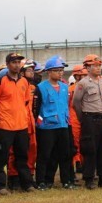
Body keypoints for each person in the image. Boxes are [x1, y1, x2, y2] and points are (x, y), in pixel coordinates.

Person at [0, 53, 35, 194]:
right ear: (8, 64)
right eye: (13, 62)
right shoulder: (0, 81)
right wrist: (2, 116)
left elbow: (26, 101)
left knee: (22, 157)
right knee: (0, 158)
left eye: (18, 62)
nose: (16, 64)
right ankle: (0, 186)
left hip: (21, 126)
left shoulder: (24, 82)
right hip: (5, 127)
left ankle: (27, 184)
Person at [73, 55, 102, 190]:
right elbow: (76, 102)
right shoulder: (83, 83)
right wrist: (83, 118)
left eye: (99, 65)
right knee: (90, 149)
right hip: (89, 119)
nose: (98, 68)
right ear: (87, 67)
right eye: (95, 66)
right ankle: (89, 178)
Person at [33, 55, 74, 190]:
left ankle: (66, 181)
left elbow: (66, 106)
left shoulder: (64, 87)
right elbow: (36, 108)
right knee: (45, 155)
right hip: (47, 127)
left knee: (65, 155)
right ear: (49, 72)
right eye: (57, 70)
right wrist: (40, 123)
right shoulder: (41, 87)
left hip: (63, 125)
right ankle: (42, 181)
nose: (60, 73)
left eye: (61, 70)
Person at [8, 59, 38, 190]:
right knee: (14, 152)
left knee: (31, 150)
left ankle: (28, 177)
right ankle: (14, 178)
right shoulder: (14, 84)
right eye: (29, 70)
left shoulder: (32, 87)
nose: (31, 72)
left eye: (32, 70)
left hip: (29, 122)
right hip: (17, 122)